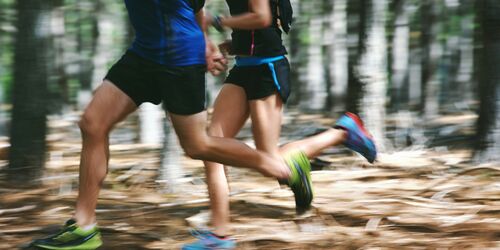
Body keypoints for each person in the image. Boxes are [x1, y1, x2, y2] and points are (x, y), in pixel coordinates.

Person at [31, 1, 314, 249]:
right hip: (143, 53)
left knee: (197, 146)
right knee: (92, 123)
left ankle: (286, 170)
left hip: (179, 57)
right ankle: (84, 227)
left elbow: (197, 7)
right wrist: (207, 41)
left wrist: (203, 42)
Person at [182, 0, 376, 249]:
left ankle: (343, 132)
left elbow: (261, 17)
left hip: (268, 68)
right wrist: (237, 43)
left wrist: (217, 21)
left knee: (269, 162)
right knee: (211, 149)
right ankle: (220, 236)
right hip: (244, 67)